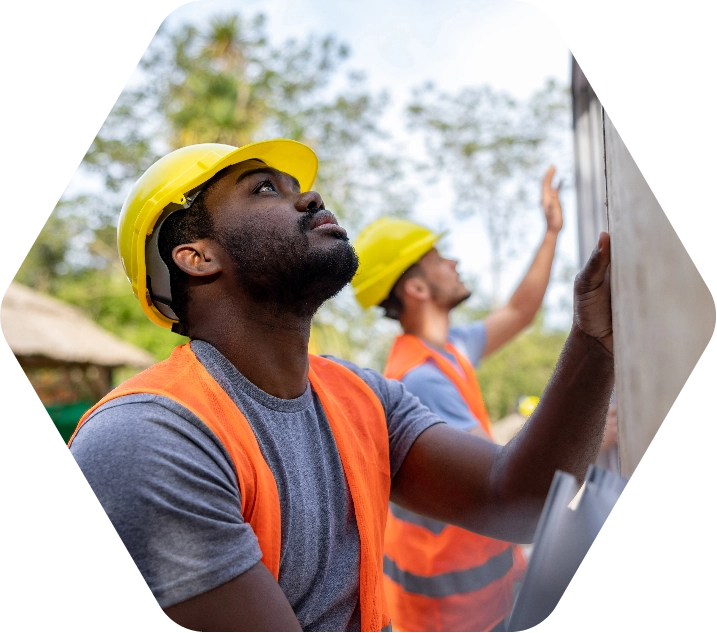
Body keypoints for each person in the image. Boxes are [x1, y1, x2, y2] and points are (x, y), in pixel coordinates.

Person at [68, 140, 615, 632]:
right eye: (265, 189)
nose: (310, 198)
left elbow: (517, 499)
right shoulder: (148, 438)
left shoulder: (361, 395)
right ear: (197, 256)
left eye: (299, 187)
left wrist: (595, 344)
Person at [351, 168, 564, 631]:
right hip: (453, 611)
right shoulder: (422, 379)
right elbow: (502, 479)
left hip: (473, 595)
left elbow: (519, 311)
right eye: (439, 258)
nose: (454, 263)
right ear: (418, 289)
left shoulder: (446, 351)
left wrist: (551, 233)